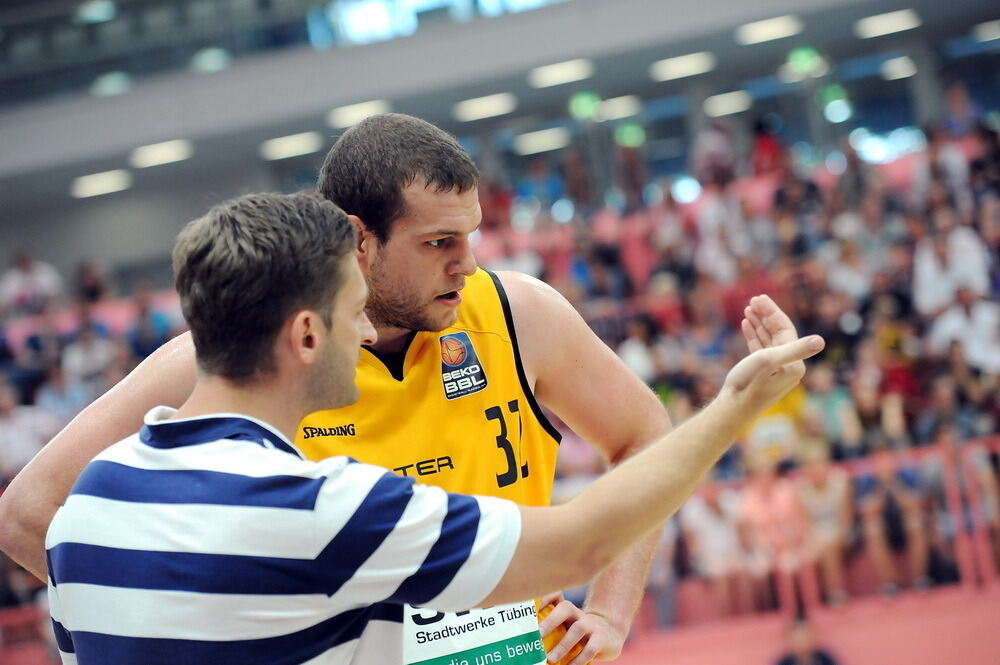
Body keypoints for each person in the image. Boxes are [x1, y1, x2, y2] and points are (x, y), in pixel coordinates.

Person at [45, 192, 823, 664]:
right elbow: (581, 542)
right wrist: (735, 408)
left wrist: (532, 637)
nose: (367, 339)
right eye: (354, 318)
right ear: (307, 335)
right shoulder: (321, 509)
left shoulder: (89, 516)